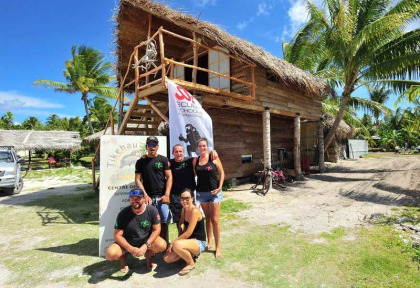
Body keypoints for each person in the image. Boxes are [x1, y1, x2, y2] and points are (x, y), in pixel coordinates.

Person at [105, 189, 167, 273]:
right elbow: (117, 235)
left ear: (144, 199)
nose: (135, 200)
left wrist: (146, 245)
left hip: (145, 240)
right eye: (132, 198)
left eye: (138, 198)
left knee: (162, 245)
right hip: (128, 242)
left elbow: (157, 229)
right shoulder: (123, 214)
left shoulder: (152, 210)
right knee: (110, 254)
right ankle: (123, 257)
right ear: (129, 199)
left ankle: (149, 255)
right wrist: (130, 249)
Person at [135, 136, 173, 243]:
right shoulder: (140, 162)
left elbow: (169, 177)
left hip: (162, 198)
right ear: (146, 147)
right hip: (148, 198)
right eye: (150, 145)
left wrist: (167, 194)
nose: (152, 147)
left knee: (164, 222)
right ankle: (150, 247)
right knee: (148, 223)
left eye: (154, 145)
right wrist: (145, 195)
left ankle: (164, 245)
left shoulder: (163, 159)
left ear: (158, 147)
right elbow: (137, 180)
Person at [169, 144, 218, 224]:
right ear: (173, 153)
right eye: (176, 152)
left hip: (189, 194)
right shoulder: (169, 163)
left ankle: (192, 235)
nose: (178, 153)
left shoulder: (191, 160)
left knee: (191, 217)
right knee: (179, 220)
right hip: (175, 195)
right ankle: (181, 236)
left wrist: (213, 151)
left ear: (184, 152)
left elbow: (203, 157)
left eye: (180, 151)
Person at [193, 138, 225, 258]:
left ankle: (218, 248)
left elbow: (222, 173)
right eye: (200, 146)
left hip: (214, 193)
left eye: (204, 146)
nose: (202, 148)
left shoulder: (214, 158)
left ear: (207, 146)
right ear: (197, 148)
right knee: (208, 218)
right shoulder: (195, 160)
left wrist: (220, 187)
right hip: (202, 193)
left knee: (215, 219)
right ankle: (209, 241)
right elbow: (195, 175)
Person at [163, 188, 206, 276]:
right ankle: (188, 253)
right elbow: (181, 225)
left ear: (192, 198)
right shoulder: (184, 209)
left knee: (176, 245)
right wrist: (180, 233)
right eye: (182, 198)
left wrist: (174, 242)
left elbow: (188, 233)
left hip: (198, 242)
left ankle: (190, 263)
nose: (184, 201)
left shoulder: (195, 211)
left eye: (187, 198)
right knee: (167, 258)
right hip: (188, 241)